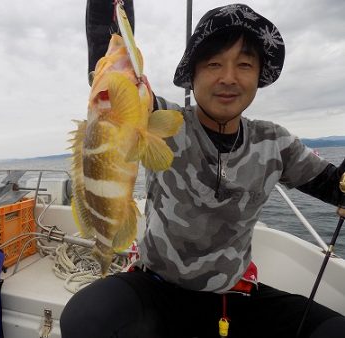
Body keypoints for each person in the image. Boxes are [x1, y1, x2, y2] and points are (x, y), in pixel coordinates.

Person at [60, 2, 345, 337]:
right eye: (213, 64)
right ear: (192, 74)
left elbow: (334, 185)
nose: (228, 78)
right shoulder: (159, 120)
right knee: (86, 317)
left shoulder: (275, 143)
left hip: (236, 295)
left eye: (244, 64)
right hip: (156, 289)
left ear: (258, 75)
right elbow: (111, 74)